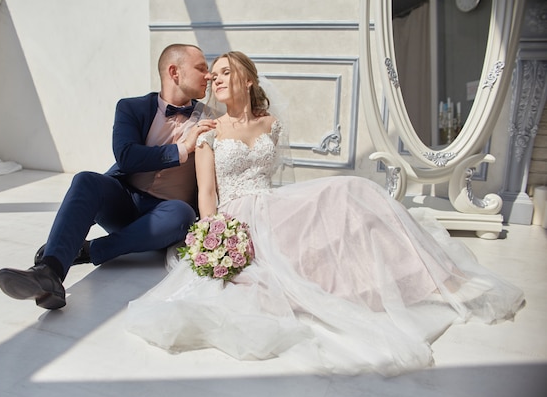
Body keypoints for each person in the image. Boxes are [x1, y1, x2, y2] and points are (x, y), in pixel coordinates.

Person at [123, 51, 525, 375]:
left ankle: (442, 278)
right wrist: (218, 240)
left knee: (354, 190)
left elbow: (274, 179)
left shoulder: (270, 123)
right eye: (214, 74)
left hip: (272, 203)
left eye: (227, 71)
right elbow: (207, 193)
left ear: (248, 79)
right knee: (288, 270)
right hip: (236, 218)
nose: (217, 79)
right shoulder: (209, 130)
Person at [0, 44, 217, 310]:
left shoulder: (211, 119)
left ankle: (89, 251)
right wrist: (182, 150)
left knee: (181, 213)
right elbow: (126, 156)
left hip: (166, 218)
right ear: (174, 72)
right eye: (201, 68)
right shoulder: (131, 108)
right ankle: (48, 272)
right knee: (86, 180)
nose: (209, 76)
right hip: (123, 203)